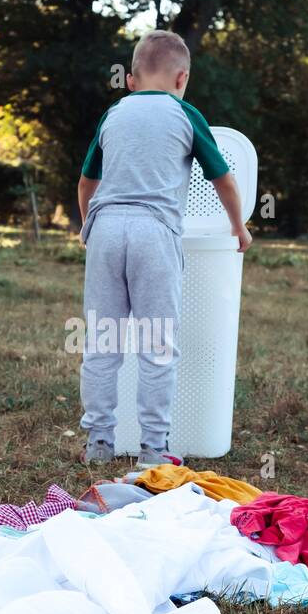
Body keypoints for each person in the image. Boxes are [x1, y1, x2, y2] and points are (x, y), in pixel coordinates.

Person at [77, 29, 252, 465]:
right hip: (154, 234)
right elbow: (224, 180)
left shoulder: (113, 114)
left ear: (132, 80)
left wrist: (87, 229)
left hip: (105, 230)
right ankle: (154, 448)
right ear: (181, 79)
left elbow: (86, 182)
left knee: (103, 341)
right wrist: (239, 227)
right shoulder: (186, 114)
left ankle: (99, 442)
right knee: (156, 345)